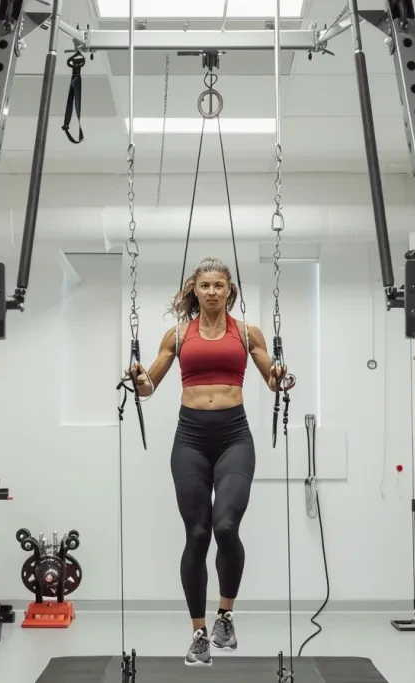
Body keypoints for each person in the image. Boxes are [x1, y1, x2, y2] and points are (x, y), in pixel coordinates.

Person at [129, 257, 287, 666]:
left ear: (229, 290)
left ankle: (226, 616)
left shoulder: (247, 332)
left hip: (234, 436)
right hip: (191, 440)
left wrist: (282, 377)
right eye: (206, 286)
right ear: (194, 290)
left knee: (226, 525)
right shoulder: (178, 335)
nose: (212, 291)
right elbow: (149, 387)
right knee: (197, 533)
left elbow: (272, 378)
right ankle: (199, 632)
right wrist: (138, 377)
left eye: (220, 285)